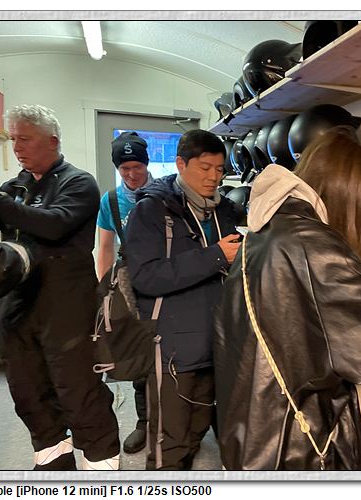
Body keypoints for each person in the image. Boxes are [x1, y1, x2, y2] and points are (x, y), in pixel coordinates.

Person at [213, 127, 361, 470]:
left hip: (252, 424)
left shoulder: (268, 226)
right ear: (349, 197)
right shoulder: (312, 242)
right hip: (294, 446)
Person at [0, 104, 120, 470]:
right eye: (13, 139)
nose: (16, 147)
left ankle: (101, 468)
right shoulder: (13, 187)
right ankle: (53, 464)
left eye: (25, 139)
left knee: (78, 392)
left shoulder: (78, 182)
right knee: (28, 391)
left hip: (66, 306)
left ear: (52, 141)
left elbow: (53, 225)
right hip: (17, 304)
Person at [125, 129, 241, 470]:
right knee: (169, 442)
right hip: (172, 347)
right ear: (180, 163)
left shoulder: (224, 211)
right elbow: (145, 277)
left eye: (219, 169)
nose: (213, 177)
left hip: (215, 342)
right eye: (205, 167)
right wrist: (216, 256)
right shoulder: (151, 211)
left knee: (196, 429)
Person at [96, 131, 153, 455]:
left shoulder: (166, 191)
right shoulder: (111, 201)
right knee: (139, 350)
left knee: (175, 351)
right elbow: (105, 248)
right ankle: (145, 421)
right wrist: (105, 295)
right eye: (124, 168)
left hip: (169, 278)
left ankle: (179, 418)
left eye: (137, 167)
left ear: (147, 164)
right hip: (131, 282)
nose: (132, 174)